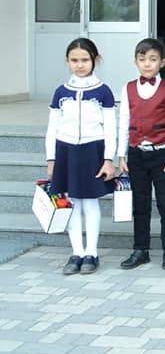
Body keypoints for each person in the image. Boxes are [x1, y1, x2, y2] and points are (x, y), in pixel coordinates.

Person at [46, 37, 117, 275]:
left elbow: (110, 128)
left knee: (90, 203)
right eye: (74, 60)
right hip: (66, 151)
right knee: (72, 203)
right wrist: (51, 159)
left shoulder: (103, 91)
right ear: (67, 61)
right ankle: (76, 252)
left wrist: (109, 158)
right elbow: (52, 128)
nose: (80, 65)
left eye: (85, 60)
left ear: (96, 60)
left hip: (92, 151)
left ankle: (92, 253)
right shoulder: (61, 92)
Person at [117, 38, 165, 271]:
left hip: (162, 154)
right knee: (140, 203)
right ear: (136, 62)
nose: (147, 64)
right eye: (142, 59)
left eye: (153, 59)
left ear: (162, 62)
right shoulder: (127, 89)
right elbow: (123, 121)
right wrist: (121, 154)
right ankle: (140, 249)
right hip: (136, 154)